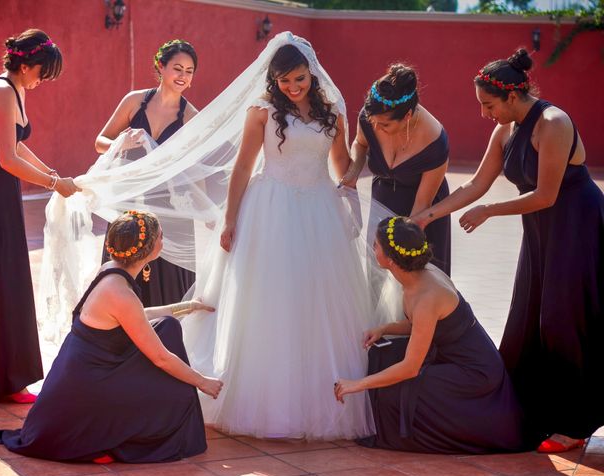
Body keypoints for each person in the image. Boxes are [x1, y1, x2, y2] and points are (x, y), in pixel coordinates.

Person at [181, 37, 376, 440]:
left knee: (317, 299)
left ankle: (319, 400)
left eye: (299, 79)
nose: (293, 87)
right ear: (274, 80)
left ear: (312, 73)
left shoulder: (332, 111)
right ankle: (266, 401)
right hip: (271, 209)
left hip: (320, 208)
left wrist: (353, 185)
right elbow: (241, 168)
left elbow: (341, 164)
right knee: (272, 300)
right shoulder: (262, 112)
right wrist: (230, 219)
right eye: (284, 81)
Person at [412, 48, 604, 453]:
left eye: (488, 105)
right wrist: (427, 216)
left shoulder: (553, 123)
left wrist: (489, 212)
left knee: (562, 321)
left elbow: (548, 195)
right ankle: (528, 411)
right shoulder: (506, 129)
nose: (485, 114)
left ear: (512, 96)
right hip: (540, 232)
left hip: (577, 227)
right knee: (526, 320)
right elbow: (475, 185)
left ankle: (575, 422)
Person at [0, 210, 223, 463]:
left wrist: (188, 306)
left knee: (167, 327)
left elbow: (136, 316)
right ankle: (126, 430)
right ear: (149, 248)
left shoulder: (112, 270)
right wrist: (202, 381)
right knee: (168, 342)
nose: (164, 239)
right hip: (89, 386)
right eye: (161, 235)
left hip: (92, 373)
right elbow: (160, 357)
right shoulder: (119, 292)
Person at [334, 216, 525, 454]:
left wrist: (357, 385)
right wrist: (384, 329)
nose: (372, 247)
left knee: (393, 391)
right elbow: (421, 324)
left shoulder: (427, 296)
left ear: (392, 260)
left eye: (377, 244)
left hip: (474, 373)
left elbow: (410, 368)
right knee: (381, 356)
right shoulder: (418, 274)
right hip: (450, 355)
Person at [0, 29, 79, 407]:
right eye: (41, 73)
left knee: (6, 276)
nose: (42, 81)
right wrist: (52, 183)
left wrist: (53, 173)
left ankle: (5, 379)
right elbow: (6, 158)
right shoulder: (0, 90)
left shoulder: (18, 90)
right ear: (24, 64)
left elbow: (17, 145)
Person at [95, 39, 199, 307]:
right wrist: (121, 143)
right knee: (122, 268)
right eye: (177, 68)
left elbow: (197, 163)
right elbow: (100, 142)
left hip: (167, 209)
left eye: (189, 71)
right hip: (127, 203)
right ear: (161, 66)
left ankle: (160, 335)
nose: (183, 76)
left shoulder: (190, 116)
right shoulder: (134, 101)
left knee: (165, 280)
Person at [344, 64, 451, 274]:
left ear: (408, 116)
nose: (376, 128)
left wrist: (401, 244)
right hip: (383, 198)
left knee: (414, 275)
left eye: (384, 125)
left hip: (421, 212)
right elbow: (360, 143)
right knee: (377, 275)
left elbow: (422, 204)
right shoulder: (371, 117)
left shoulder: (435, 141)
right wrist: (354, 171)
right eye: (372, 121)